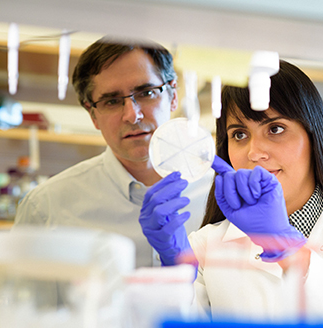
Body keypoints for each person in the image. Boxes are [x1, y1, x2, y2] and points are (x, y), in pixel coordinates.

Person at [139, 60, 323, 326]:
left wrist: (285, 246)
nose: (254, 153)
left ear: (314, 136)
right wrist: (176, 274)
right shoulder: (204, 246)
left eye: (275, 129)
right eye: (239, 134)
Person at [13, 37, 213, 268]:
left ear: (173, 96)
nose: (132, 115)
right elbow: (26, 302)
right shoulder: (46, 208)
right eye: (112, 101)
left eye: (146, 93)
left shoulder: (219, 196)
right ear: (93, 115)